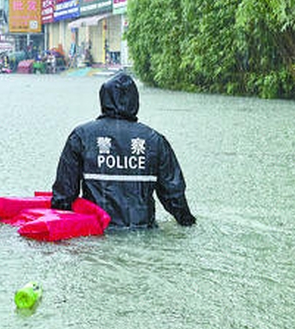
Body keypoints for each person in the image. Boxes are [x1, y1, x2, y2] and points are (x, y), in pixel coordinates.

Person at [50, 71, 196, 229]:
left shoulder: (81, 136)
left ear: (103, 99)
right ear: (135, 101)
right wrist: (189, 223)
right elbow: (174, 195)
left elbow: (64, 193)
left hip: (97, 236)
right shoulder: (155, 140)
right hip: (143, 235)